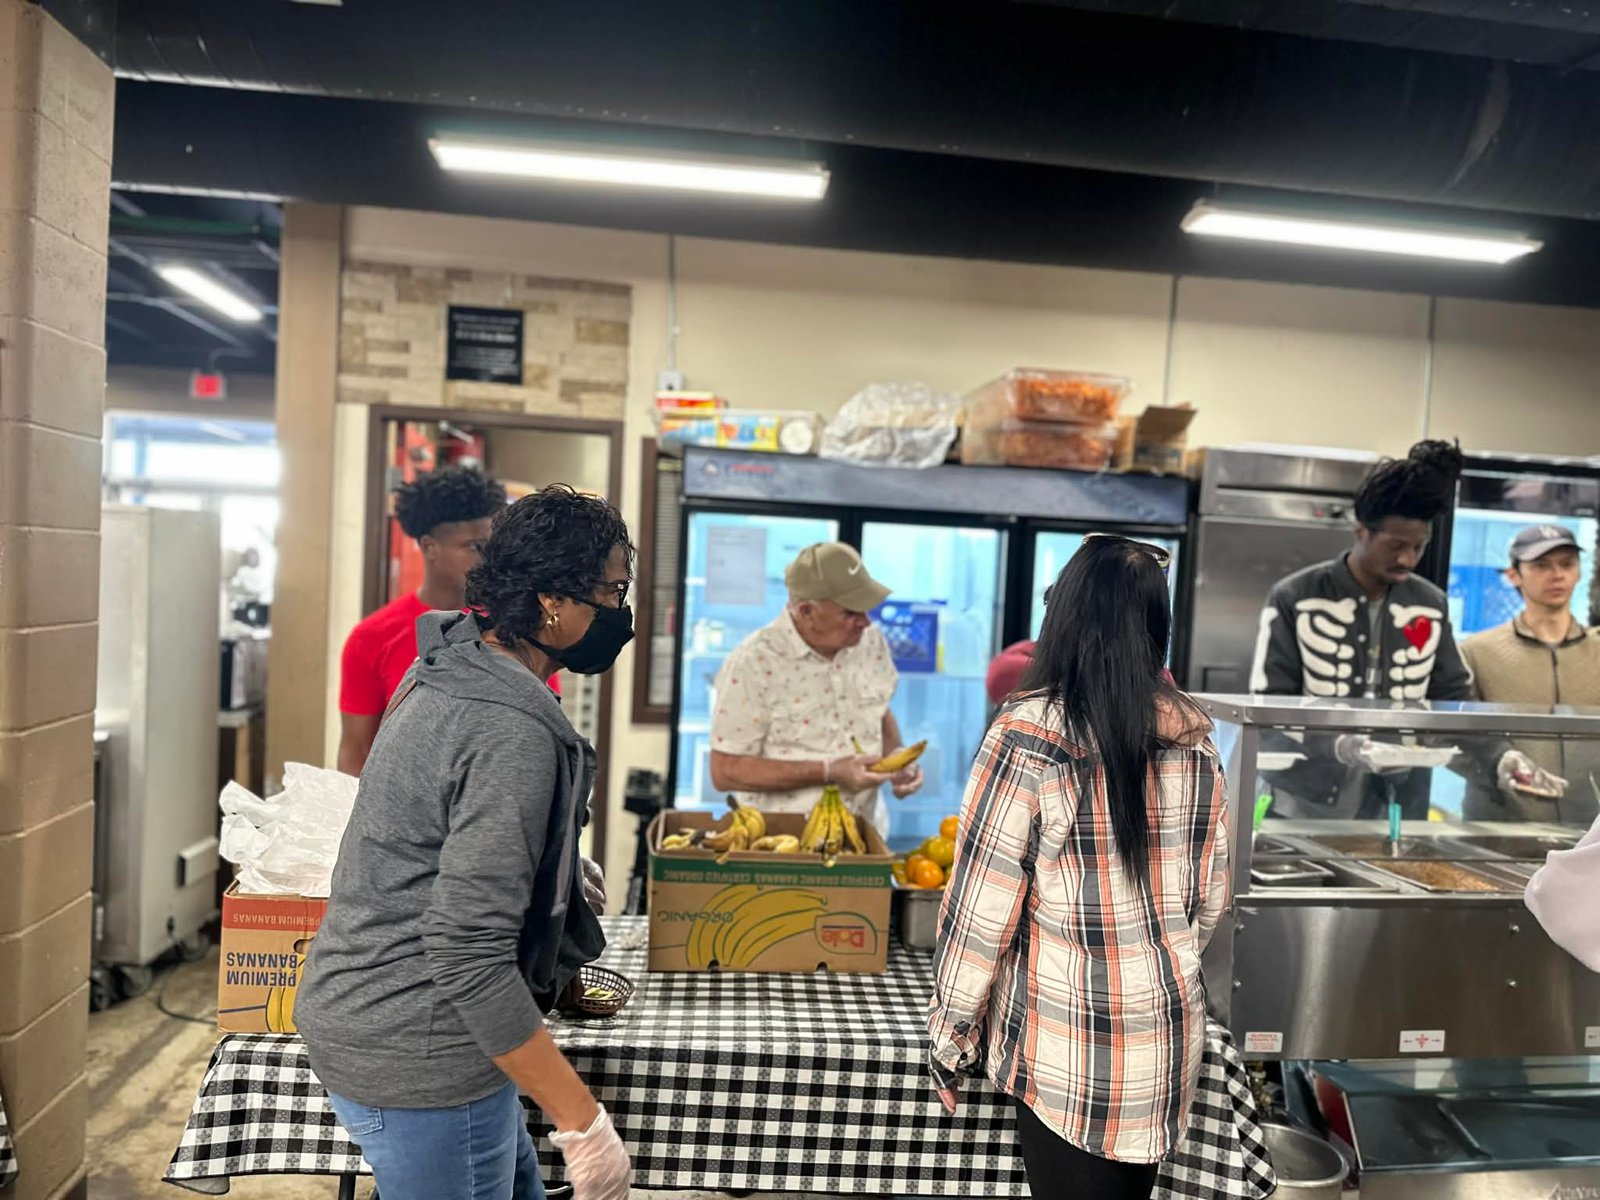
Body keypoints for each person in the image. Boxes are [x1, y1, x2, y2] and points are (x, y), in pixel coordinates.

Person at [297, 485, 636, 1200]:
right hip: (419, 1043)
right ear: (550, 600)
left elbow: (441, 821)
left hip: (378, 1016)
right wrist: (580, 1122)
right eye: (611, 591)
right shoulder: (508, 726)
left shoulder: (452, 657)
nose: (619, 612)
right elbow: (466, 949)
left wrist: (549, 865)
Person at [928, 535, 1230, 1200]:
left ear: (1061, 615)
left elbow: (981, 914)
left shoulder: (1030, 735)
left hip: (1069, 1044)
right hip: (1167, 1039)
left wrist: (949, 1038)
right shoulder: (1198, 744)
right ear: (1158, 627)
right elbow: (1208, 904)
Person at [1250, 439, 1556, 816]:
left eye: (1418, 546)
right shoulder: (1294, 596)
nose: (1407, 558)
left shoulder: (1429, 603)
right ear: (1361, 530)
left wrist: (1502, 757)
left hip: (1399, 805)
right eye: (1395, 545)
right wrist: (1339, 746)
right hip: (1304, 803)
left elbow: (1452, 698)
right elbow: (1266, 708)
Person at [708, 541, 923, 833]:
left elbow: (878, 711)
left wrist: (896, 758)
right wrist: (828, 772)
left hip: (865, 831)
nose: (865, 622)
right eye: (850, 613)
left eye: (866, 609)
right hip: (785, 845)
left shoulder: (869, 642)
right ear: (806, 611)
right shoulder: (753, 663)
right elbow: (725, 771)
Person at [336, 465, 507, 776]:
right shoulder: (373, 637)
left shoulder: (514, 628)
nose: (488, 559)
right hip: (400, 815)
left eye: (491, 546)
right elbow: (357, 750)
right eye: (474, 547)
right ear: (430, 547)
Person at [1460, 524, 1599, 825]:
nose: (1557, 574)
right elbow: (1453, 739)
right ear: (1514, 574)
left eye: (1567, 564)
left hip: (1585, 834)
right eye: (1541, 565)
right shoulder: (1477, 651)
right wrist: (1500, 766)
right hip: (1499, 830)